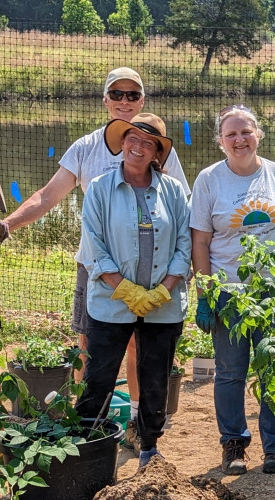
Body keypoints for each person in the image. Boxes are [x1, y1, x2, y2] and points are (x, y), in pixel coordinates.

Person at [0, 67, 188, 411]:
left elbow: (181, 207)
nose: (124, 101)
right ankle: (88, 415)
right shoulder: (86, 147)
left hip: (150, 266)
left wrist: (181, 270)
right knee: (89, 341)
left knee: (138, 343)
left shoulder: (158, 147)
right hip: (97, 264)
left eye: (132, 95)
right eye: (116, 94)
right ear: (105, 100)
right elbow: (47, 196)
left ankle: (137, 417)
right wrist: (7, 225)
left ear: (142, 100)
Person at [189, 105, 275, 475]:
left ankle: (274, 445)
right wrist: (205, 297)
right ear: (220, 141)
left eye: (246, 131)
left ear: (259, 135)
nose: (240, 139)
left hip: (274, 293)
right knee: (231, 371)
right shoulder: (209, 180)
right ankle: (233, 443)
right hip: (229, 291)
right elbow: (200, 243)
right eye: (231, 134)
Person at [75, 114, 189, 468]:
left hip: (162, 306)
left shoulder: (173, 191)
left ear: (157, 153)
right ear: (122, 143)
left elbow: (184, 243)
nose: (138, 148)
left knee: (156, 379)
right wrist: (123, 288)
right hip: (111, 302)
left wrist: (163, 290)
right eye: (132, 139)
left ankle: (149, 449)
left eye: (148, 143)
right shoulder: (99, 188)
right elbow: (93, 243)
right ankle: (87, 449)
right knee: (98, 379)